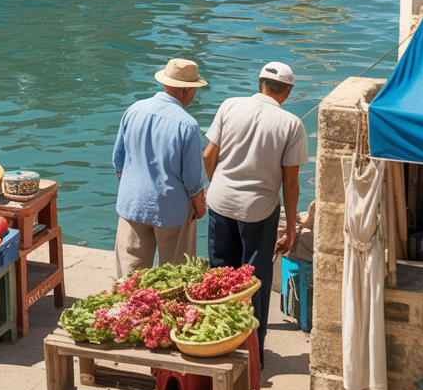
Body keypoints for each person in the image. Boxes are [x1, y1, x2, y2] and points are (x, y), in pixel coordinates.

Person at [203, 62, 308, 366]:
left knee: (220, 275)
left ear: (260, 82)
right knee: (254, 282)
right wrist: (290, 230)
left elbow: (209, 155)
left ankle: (217, 345)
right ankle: (251, 356)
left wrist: (218, 185)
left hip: (221, 203)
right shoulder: (291, 124)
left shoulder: (229, 105)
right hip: (258, 212)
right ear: (287, 91)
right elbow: (290, 182)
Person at [113, 58, 207, 277]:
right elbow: (193, 180)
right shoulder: (188, 125)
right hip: (172, 210)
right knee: (175, 275)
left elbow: (119, 161)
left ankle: (126, 310)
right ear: (186, 90)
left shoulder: (134, 110)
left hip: (132, 203)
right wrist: (200, 206)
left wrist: (135, 186)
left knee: (129, 276)